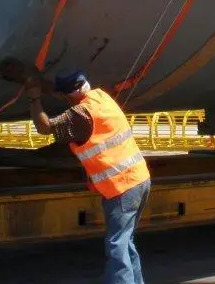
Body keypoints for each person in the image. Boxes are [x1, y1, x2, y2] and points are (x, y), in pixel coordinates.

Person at [27, 71, 152, 284]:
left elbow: (44, 127)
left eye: (66, 97)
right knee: (126, 240)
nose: (66, 101)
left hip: (120, 187)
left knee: (117, 245)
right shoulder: (101, 97)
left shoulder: (82, 114)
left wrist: (33, 97)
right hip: (140, 180)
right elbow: (67, 95)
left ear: (71, 95)